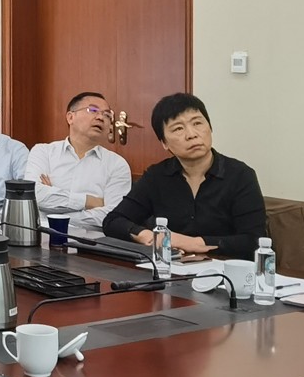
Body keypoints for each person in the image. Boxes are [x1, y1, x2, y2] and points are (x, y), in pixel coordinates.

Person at [102, 93, 266, 258]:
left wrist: (192, 243)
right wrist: (149, 236)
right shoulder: (157, 176)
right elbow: (113, 221)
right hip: (171, 266)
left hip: (224, 267)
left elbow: (254, 241)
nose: (192, 134)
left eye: (197, 123)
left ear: (210, 128)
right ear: (164, 143)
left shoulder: (240, 175)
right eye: (178, 128)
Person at [23, 91, 131, 234]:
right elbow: (36, 195)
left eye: (107, 115)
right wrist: (90, 201)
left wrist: (55, 209)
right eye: (93, 110)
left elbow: (113, 215)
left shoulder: (117, 164)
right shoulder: (43, 152)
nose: (100, 117)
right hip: (43, 235)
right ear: (70, 117)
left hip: (93, 240)